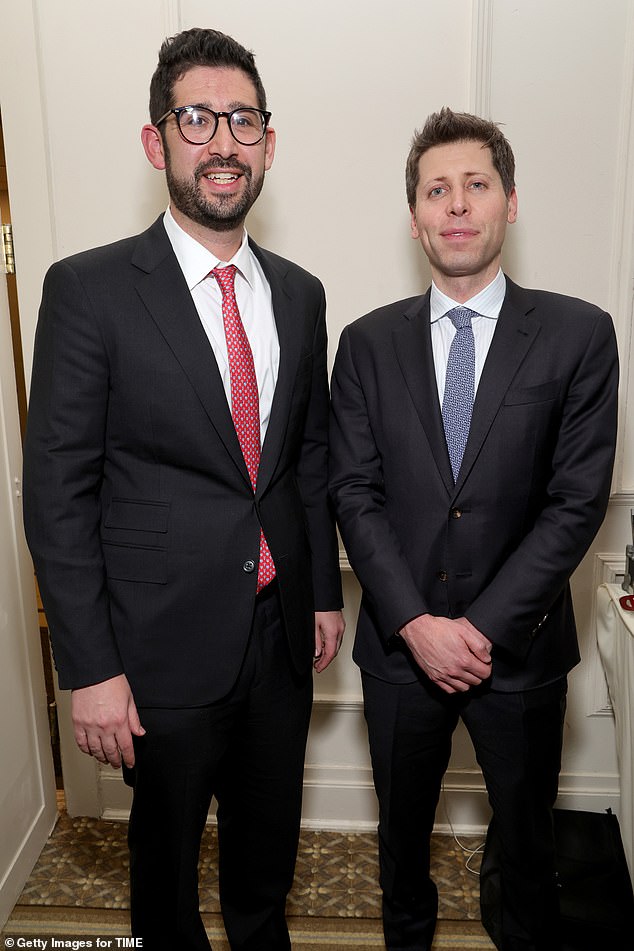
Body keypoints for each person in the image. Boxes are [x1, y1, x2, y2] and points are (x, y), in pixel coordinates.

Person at [23, 27, 345, 951]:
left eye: (242, 120)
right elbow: (57, 492)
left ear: (268, 143)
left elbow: (307, 457)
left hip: (279, 636)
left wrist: (322, 591)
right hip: (154, 652)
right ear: (156, 140)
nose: (222, 142)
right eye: (196, 118)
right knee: (164, 878)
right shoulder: (88, 292)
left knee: (264, 862)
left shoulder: (300, 293)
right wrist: (88, 668)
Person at [328, 107, 618, 951]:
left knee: (527, 850)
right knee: (400, 852)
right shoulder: (366, 344)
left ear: (510, 203)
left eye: (475, 185)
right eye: (436, 189)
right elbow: (353, 491)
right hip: (398, 651)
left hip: (518, 655)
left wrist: (480, 629)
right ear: (416, 214)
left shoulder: (578, 335)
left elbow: (576, 503)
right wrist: (418, 624)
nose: (456, 204)